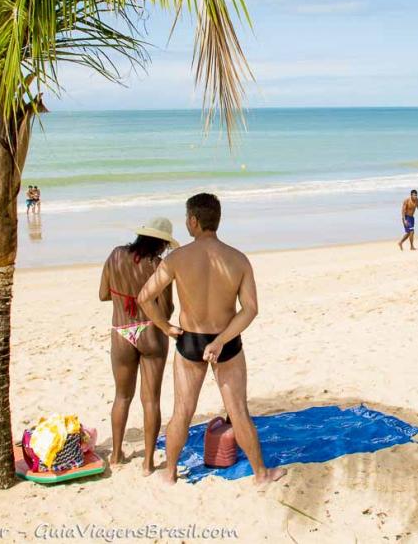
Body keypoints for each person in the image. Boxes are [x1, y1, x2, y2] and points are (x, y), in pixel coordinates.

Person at [138, 193, 286, 486]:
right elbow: (251, 309)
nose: (185, 223)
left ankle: (169, 475)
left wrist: (166, 326)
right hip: (227, 343)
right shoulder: (238, 259)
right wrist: (220, 340)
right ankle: (261, 474)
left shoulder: (177, 259)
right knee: (238, 410)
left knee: (182, 410)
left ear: (193, 220)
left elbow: (144, 297)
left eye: (186, 219)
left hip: (189, 341)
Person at [99, 218, 178, 475]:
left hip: (121, 331)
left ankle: (116, 454)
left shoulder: (115, 255)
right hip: (151, 332)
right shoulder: (158, 265)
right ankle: (148, 464)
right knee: (150, 399)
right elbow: (166, 309)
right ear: (162, 243)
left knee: (122, 396)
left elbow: (102, 294)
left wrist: (125, 297)